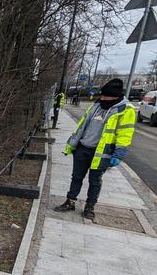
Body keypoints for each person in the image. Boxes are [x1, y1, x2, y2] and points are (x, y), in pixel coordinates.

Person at [54, 78, 136, 219]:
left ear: (115, 96)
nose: (102, 98)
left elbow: (125, 133)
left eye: (106, 96)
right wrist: (72, 143)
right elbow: (82, 124)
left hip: (101, 152)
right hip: (83, 148)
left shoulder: (126, 110)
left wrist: (119, 153)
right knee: (76, 177)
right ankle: (70, 201)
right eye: (102, 95)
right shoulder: (97, 105)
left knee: (95, 180)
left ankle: (89, 207)